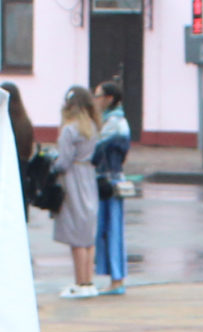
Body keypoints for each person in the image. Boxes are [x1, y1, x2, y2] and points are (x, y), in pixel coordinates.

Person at [52, 87, 100, 298]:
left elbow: (63, 162)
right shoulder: (92, 127)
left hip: (73, 181)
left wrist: (50, 165)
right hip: (89, 178)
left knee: (75, 236)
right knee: (87, 236)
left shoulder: (69, 130)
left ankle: (79, 282)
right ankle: (88, 281)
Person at [92, 80, 130, 297]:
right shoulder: (115, 120)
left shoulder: (113, 123)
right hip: (111, 179)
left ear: (108, 99)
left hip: (109, 182)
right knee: (109, 228)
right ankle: (115, 278)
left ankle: (117, 279)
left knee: (112, 229)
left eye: (98, 96)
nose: (95, 100)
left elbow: (96, 151)